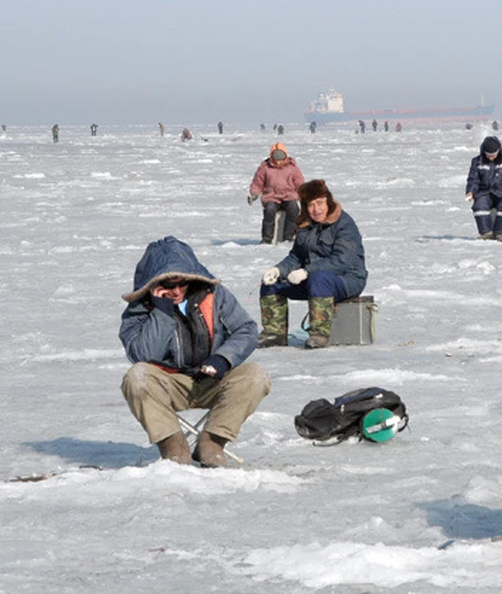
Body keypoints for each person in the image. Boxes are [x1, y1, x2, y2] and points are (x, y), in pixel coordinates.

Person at [119, 236, 271, 467]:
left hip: (212, 379)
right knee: (137, 377)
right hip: (168, 384)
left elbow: (246, 330)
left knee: (255, 375)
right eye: (169, 285)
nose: (177, 290)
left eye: (183, 283)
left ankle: (212, 444)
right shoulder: (139, 309)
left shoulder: (215, 295)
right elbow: (142, 354)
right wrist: (162, 313)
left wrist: (222, 359)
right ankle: (174, 447)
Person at [258, 179, 367, 349]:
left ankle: (319, 334)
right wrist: (278, 270)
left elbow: (342, 261)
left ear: (328, 202)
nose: (316, 209)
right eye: (311, 205)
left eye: (320, 203)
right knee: (271, 284)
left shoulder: (345, 225)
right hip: (313, 278)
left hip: (347, 279)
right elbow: (297, 256)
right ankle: (275, 333)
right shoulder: (305, 225)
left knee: (319, 278)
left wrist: (306, 272)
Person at [465, 136, 502, 241]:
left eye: (493, 155)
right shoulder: (477, 161)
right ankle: (486, 233)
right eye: (488, 155)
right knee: (479, 206)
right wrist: (470, 191)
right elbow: (473, 179)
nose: (491, 158)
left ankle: (500, 233)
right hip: (484, 192)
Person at [248, 143, 305, 244]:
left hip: (289, 196)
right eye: (276, 159)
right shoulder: (265, 167)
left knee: (294, 209)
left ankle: (288, 237)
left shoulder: (292, 168)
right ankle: (267, 239)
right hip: (271, 197)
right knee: (269, 210)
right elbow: (257, 183)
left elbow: (299, 184)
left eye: (281, 159)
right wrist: (254, 194)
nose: (278, 162)